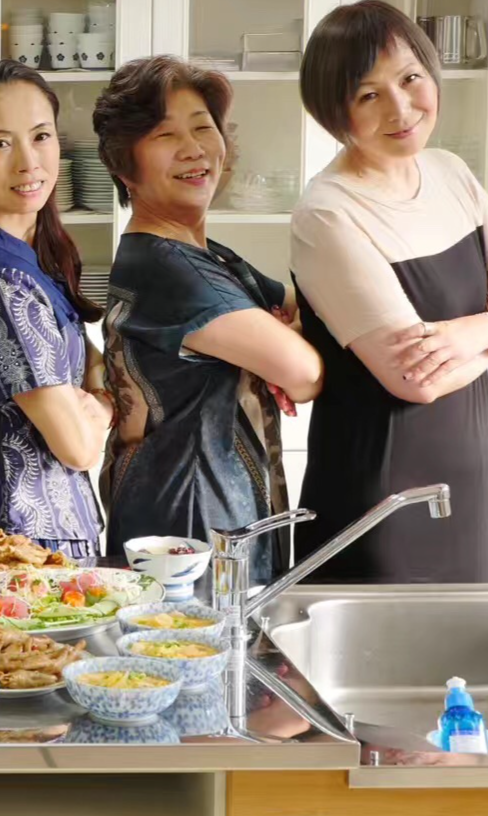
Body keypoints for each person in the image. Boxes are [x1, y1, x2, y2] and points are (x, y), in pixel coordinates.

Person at [292, 0, 488, 582]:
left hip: (465, 477)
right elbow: (416, 380)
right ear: (333, 111)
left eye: (411, 78)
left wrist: (474, 331)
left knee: (463, 636)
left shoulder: (451, 173)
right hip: (381, 493)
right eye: (369, 94)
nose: (401, 107)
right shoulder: (329, 213)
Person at [93, 56, 323, 583]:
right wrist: (278, 344)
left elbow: (305, 306)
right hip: (191, 529)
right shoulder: (168, 269)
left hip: (205, 517)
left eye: (203, 127)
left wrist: (279, 334)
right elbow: (305, 374)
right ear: (125, 167)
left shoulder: (205, 256)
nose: (194, 149)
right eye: (165, 135)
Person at [0, 61, 108, 557]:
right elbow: (78, 447)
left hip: (33, 540)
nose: (29, 162)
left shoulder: (24, 257)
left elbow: (90, 362)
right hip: (18, 550)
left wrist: (91, 395)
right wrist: (104, 406)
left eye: (41, 136)